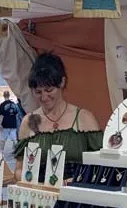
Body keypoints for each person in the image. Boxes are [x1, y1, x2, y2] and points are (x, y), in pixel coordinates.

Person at [15, 53, 101, 181]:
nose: (44, 97)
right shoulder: (28, 122)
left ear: (62, 82)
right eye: (38, 92)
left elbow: (100, 167)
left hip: (75, 195)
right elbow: (18, 170)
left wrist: (77, 180)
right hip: (39, 197)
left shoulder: (84, 119)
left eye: (49, 90)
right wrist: (32, 181)